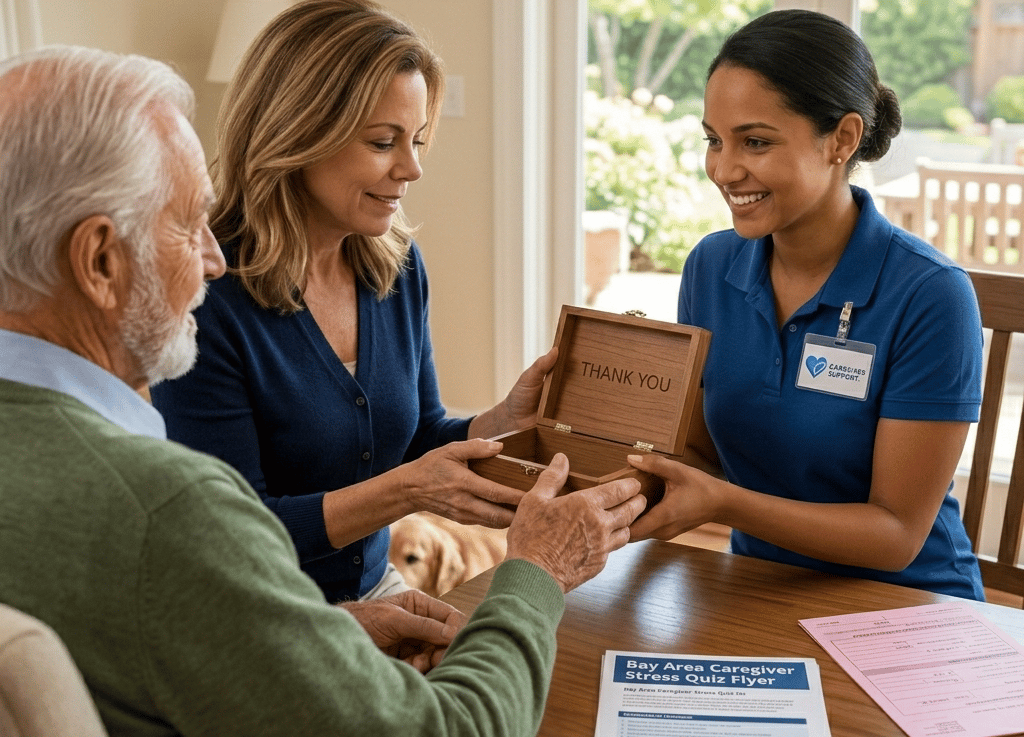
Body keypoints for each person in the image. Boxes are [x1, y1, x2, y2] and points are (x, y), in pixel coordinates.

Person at [0, 45, 647, 736]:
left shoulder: (392, 266)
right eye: (189, 226)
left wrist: (329, 631)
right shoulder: (168, 507)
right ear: (100, 260)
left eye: (416, 139)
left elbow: (170, 627)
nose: (212, 259)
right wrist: (538, 570)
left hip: (330, 612)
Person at [150, 0, 551, 603]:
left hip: (372, 585)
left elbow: (417, 439)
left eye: (416, 140)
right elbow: (231, 533)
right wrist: (405, 493)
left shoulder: (395, 265)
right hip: (255, 611)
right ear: (299, 131)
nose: (412, 168)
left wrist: (501, 423)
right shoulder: (205, 293)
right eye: (383, 141)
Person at [627, 9, 986, 600]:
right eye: (714, 140)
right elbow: (698, 453)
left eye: (756, 142)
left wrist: (725, 504)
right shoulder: (711, 268)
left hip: (910, 602)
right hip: (760, 586)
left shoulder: (930, 294)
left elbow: (896, 534)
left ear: (842, 140)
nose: (723, 169)